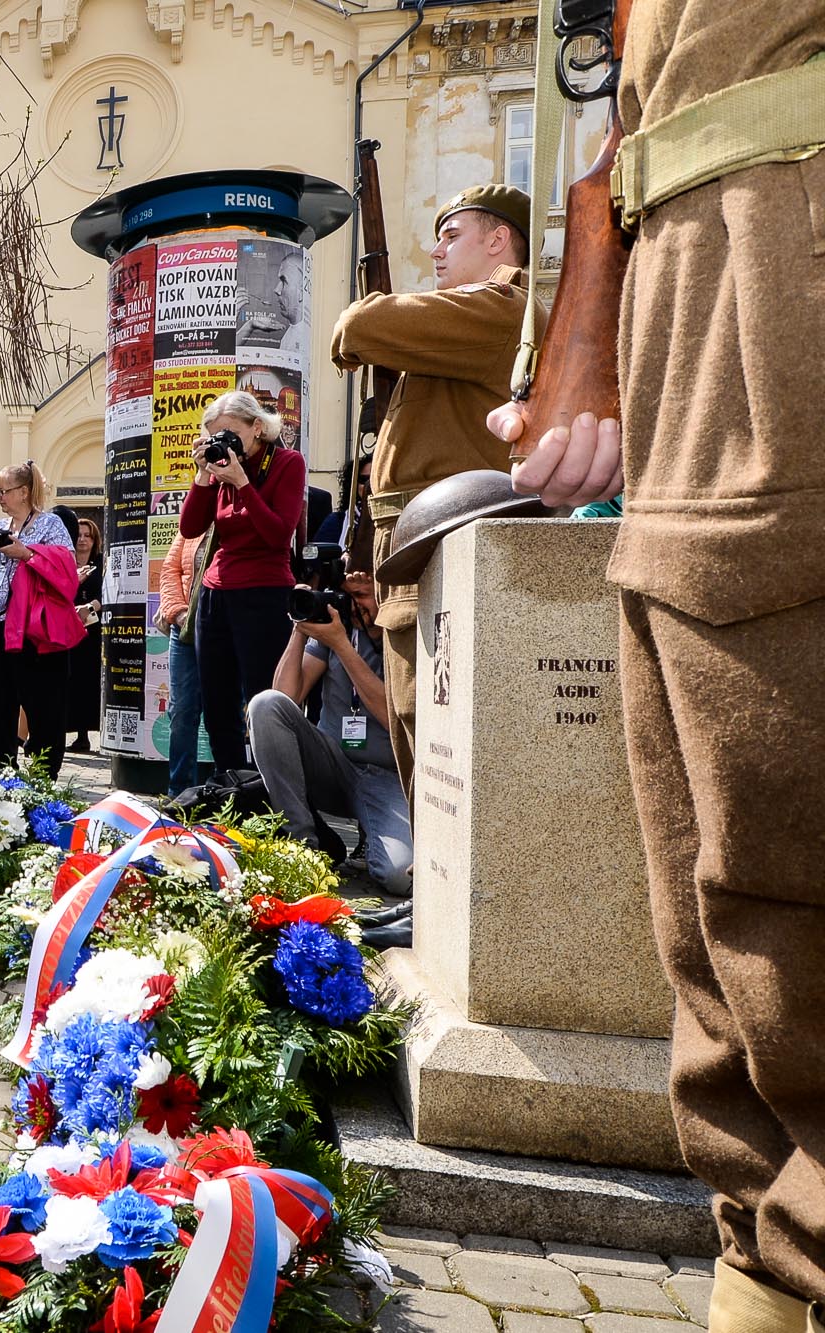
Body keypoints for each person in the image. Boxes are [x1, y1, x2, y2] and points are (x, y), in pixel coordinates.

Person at [486, 13, 825, 1326]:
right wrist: (587, 323)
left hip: (784, 227)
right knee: (722, 945)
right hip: (696, 247)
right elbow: (605, 70)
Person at [329, 183, 532, 798]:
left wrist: (364, 326)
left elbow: (362, 323)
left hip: (444, 531)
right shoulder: (463, 319)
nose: (437, 251)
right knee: (414, 723)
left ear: (499, 240)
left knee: (434, 719)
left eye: (452, 235)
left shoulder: (503, 307)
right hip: (416, 535)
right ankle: (431, 881)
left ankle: (443, 883)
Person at [246, 560, 410, 894]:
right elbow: (286, 697)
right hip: (333, 764)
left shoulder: (404, 638)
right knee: (264, 705)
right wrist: (300, 623)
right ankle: (304, 845)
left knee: (397, 875)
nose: (354, 606)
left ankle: (366, 837)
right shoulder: (339, 630)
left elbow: (390, 716)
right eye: (347, 596)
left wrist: (342, 646)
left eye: (363, 595)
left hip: (387, 776)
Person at [178, 390, 306, 772]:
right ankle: (229, 783)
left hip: (264, 593)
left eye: (231, 434)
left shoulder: (287, 463)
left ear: (257, 428)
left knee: (262, 699)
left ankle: (271, 791)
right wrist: (204, 475)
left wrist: (243, 483)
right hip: (216, 595)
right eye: (216, 436)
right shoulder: (218, 470)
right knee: (216, 701)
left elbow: (278, 533)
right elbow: (190, 527)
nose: (225, 444)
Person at [0, 460, 77, 775]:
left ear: (24, 491)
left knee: (42, 702)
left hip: (34, 627)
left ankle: (44, 773)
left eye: (4, 491)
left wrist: (26, 553)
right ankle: (2, 770)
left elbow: (67, 569)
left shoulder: (50, 525)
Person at [158, 530, 209, 795]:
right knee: (181, 712)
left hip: (224, 626)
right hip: (185, 628)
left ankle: (228, 791)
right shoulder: (195, 520)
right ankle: (179, 793)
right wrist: (178, 612)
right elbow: (170, 569)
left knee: (225, 712)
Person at [66, 516, 104, 754]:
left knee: (87, 681)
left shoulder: (101, 564)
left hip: (92, 631)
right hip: (66, 628)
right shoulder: (66, 562)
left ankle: (84, 735)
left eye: (87, 536)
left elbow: (106, 592)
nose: (82, 540)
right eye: (78, 535)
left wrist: (89, 609)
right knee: (67, 680)